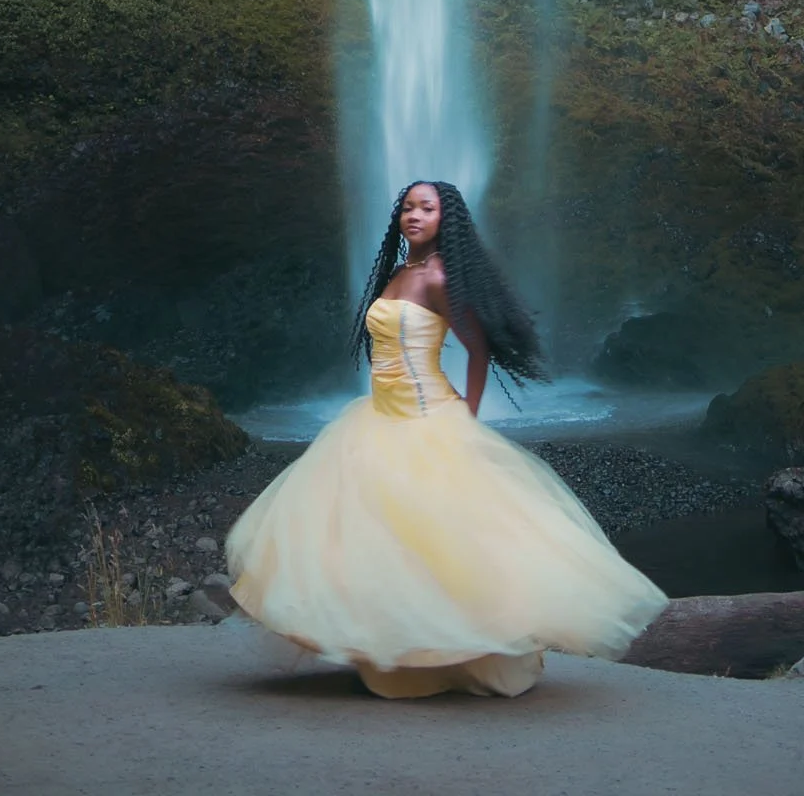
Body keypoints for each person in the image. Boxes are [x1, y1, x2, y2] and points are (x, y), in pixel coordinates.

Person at [226, 179, 666, 698]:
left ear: (445, 219)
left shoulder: (438, 277)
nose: (414, 215)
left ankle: (456, 649)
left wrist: (466, 418)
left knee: (439, 540)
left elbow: (477, 351)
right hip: (377, 417)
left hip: (425, 416)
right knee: (379, 537)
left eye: (426, 208)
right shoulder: (397, 273)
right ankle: (394, 651)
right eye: (408, 207)